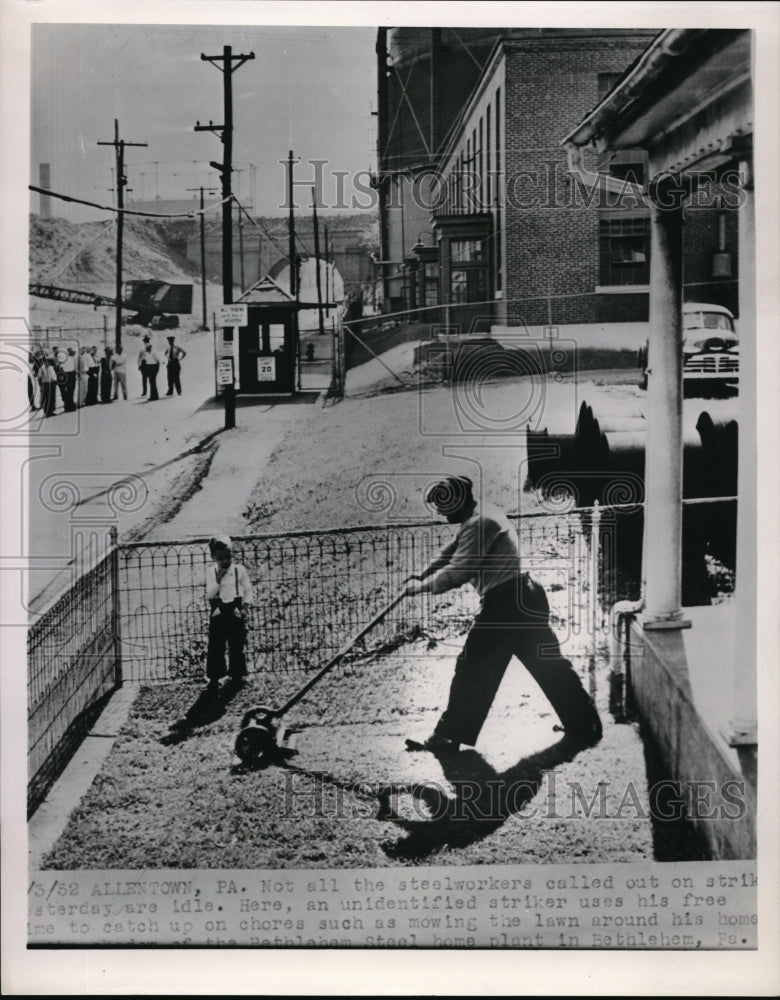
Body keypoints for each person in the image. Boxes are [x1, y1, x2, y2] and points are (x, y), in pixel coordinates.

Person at [403, 476, 602, 752]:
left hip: (506, 604)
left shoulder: (479, 522)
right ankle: (585, 725)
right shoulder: (479, 514)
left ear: (459, 500)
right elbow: (451, 552)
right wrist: (422, 572)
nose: (442, 512)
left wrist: (420, 588)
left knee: (473, 669)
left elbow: (459, 570)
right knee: (548, 664)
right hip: (524, 597)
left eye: (445, 505)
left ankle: (448, 737)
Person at [205, 536, 254, 690]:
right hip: (218, 609)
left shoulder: (239, 570)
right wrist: (218, 580)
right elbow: (210, 594)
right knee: (216, 645)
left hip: (235, 608)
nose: (225, 561)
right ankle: (215, 678)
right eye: (220, 558)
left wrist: (245, 606)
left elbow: (248, 589)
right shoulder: (211, 571)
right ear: (213, 557)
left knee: (237, 643)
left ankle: (237, 675)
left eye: (228, 557)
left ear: (232, 554)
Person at [60, 347, 78, 411]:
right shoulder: (73, 359)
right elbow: (75, 368)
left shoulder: (65, 358)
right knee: (70, 390)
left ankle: (68, 405)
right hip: (71, 374)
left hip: (66, 374)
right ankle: (70, 405)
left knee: (68, 391)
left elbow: (61, 367)